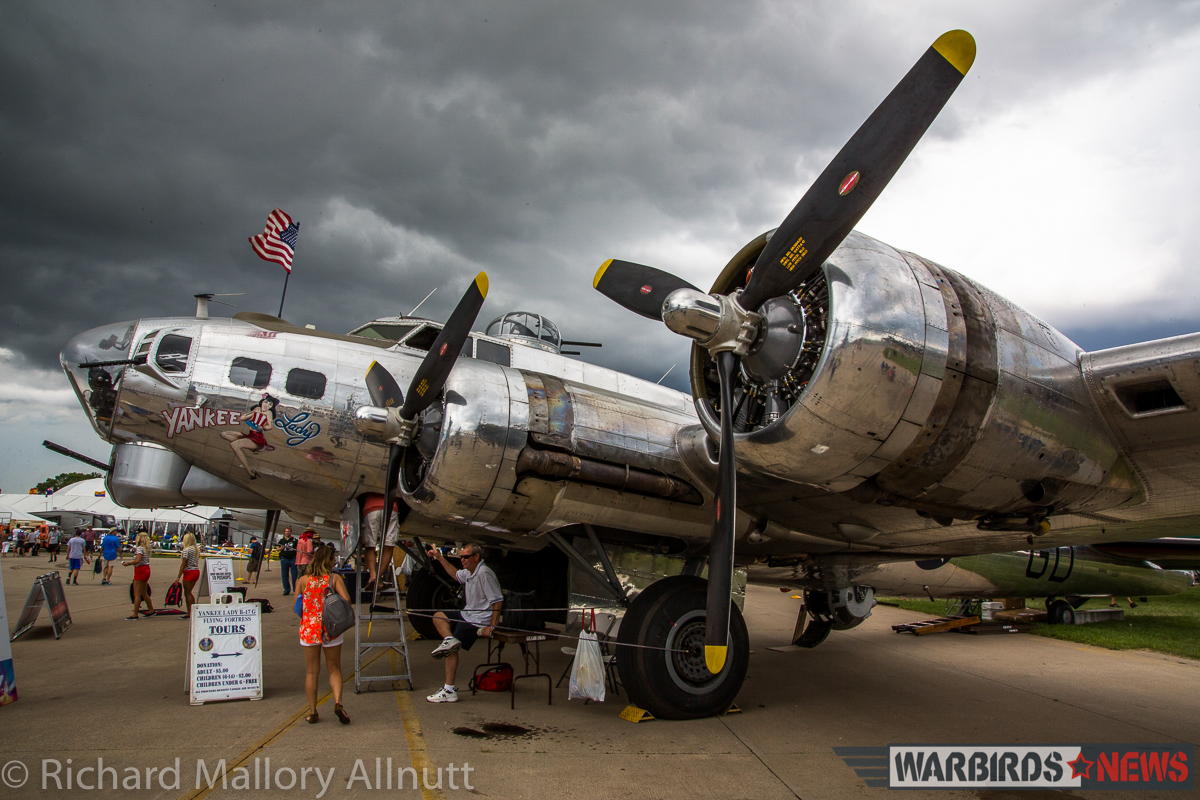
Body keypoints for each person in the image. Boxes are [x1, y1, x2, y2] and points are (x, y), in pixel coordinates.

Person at [424, 543, 503, 704]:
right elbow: (455, 574)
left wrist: (492, 626)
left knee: (451, 651)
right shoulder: (469, 572)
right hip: (467, 614)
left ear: (476, 557)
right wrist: (439, 557)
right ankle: (449, 639)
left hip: (479, 620)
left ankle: (449, 690)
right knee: (438, 616)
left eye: (466, 557)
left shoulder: (484, 574)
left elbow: (498, 601)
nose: (462, 560)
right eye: (461, 556)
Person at [296, 544, 351, 724]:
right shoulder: (334, 578)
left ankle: (313, 712)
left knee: (311, 672)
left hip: (309, 630)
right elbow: (346, 600)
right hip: (330, 629)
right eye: (333, 559)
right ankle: (338, 702)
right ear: (328, 561)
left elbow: (297, 607)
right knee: (334, 668)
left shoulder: (303, 580)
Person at [220, 394, 279, 479]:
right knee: (224, 434)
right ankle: (252, 448)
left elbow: (270, 426)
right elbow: (242, 418)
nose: (267, 405)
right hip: (250, 435)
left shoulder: (268, 413)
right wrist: (252, 414)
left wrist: (263, 427)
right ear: (262, 402)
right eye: (266, 402)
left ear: (272, 407)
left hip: (257, 438)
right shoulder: (257, 409)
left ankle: (249, 470)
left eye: (270, 404)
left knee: (234, 445)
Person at [360, 493, 400, 590]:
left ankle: (373, 576)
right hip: (390, 508)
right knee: (389, 546)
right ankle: (378, 579)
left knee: (370, 546)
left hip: (371, 508)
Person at [122, 530, 155, 620]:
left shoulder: (139, 548)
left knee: (137, 593)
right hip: (146, 569)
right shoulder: (145, 549)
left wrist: (128, 563)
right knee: (144, 592)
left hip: (140, 570)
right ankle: (151, 609)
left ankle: (135, 614)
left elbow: (137, 560)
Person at [175, 532, 202, 618]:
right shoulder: (195, 549)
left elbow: (183, 564)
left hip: (189, 571)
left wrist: (178, 576)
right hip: (195, 571)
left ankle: (189, 612)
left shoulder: (186, 550)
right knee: (190, 592)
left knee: (187, 593)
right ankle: (193, 610)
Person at [278, 526, 298, 595]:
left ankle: (296, 589)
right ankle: (286, 589)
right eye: (286, 531)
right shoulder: (282, 540)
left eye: (288, 531)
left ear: (291, 532)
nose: (287, 533)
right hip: (284, 558)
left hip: (293, 558)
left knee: (294, 575)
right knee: (284, 575)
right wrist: (281, 548)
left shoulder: (294, 540)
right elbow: (277, 548)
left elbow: (297, 548)